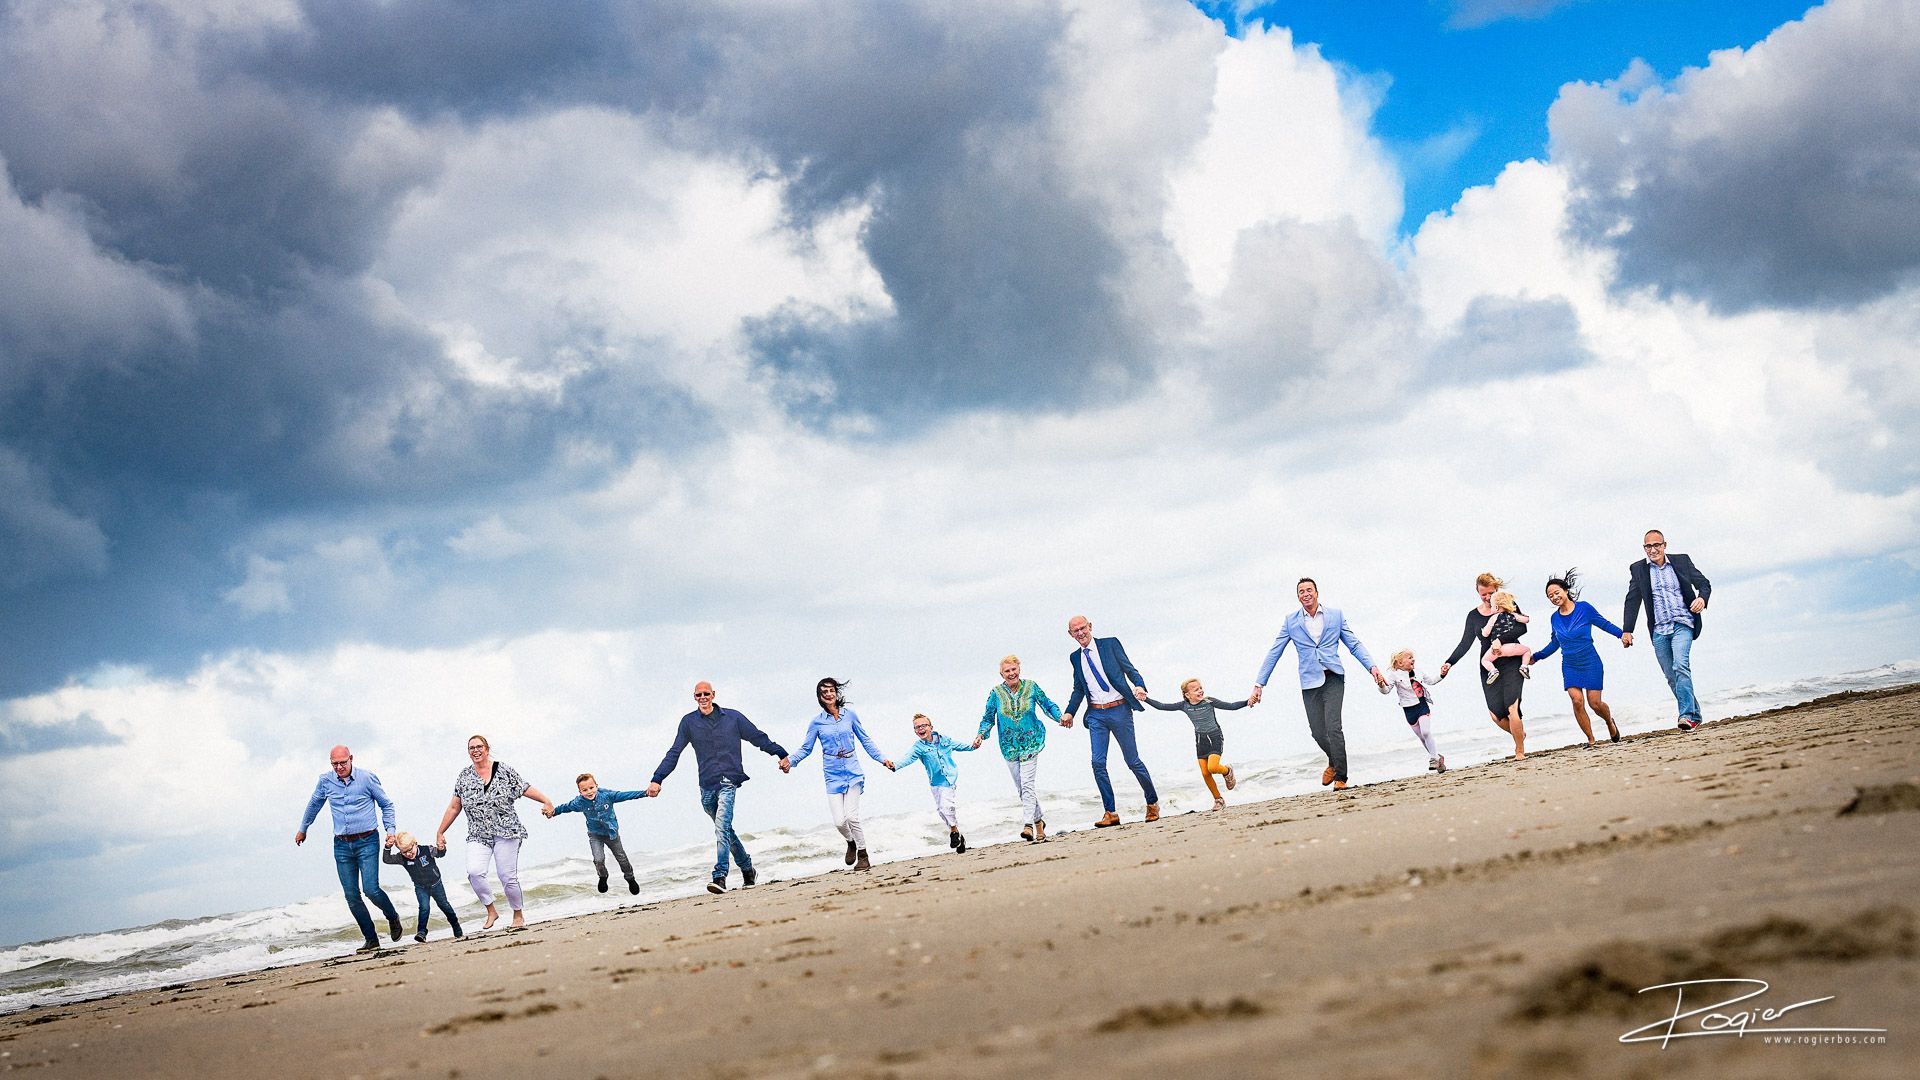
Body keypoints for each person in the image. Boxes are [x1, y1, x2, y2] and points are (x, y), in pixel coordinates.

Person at [647, 681, 791, 894]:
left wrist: (780, 753)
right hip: (706, 786)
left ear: (713, 695)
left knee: (721, 827)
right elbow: (674, 752)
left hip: (728, 781)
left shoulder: (733, 718)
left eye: (706, 693)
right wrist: (657, 778)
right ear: (694, 697)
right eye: (699, 695)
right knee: (726, 831)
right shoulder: (688, 723)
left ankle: (720, 876)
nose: (703, 697)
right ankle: (748, 869)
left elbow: (757, 737)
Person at [1249, 578, 1386, 790]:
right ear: (1298, 596)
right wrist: (1260, 684)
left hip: (1333, 676)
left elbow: (1354, 644)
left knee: (1334, 727)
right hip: (1309, 681)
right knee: (1317, 732)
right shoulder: (1291, 621)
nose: (1305, 594)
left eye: (1309, 590)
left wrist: (1372, 668)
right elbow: (1275, 652)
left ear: (1316, 593)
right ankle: (1333, 759)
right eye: (1301, 591)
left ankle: (1341, 777)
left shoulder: (1335, 615)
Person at [435, 734, 555, 931]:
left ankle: (517, 914)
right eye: (471, 748)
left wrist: (546, 800)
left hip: (507, 830)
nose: (475, 750)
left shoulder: (503, 770)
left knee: (506, 876)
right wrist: (440, 832)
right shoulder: (464, 776)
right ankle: (491, 910)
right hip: (478, 833)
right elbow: (454, 807)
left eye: (479, 746)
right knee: (474, 872)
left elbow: (524, 788)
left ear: (487, 749)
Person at [295, 745, 403, 953]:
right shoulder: (326, 781)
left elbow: (386, 804)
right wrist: (303, 829)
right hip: (342, 845)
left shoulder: (367, 778)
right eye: (334, 764)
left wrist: (390, 830)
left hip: (368, 841)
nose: (339, 767)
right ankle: (371, 939)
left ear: (351, 759)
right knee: (352, 895)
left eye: (342, 762)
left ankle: (392, 916)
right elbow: (314, 804)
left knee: (371, 889)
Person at [1062, 615, 1160, 827]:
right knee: (1097, 762)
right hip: (1096, 714)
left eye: (1083, 628)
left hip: (1120, 710)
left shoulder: (1110, 644)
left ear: (1090, 627)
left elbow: (1130, 669)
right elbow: (1079, 688)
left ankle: (1152, 802)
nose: (1080, 633)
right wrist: (1070, 712)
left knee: (1132, 761)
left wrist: (1140, 686)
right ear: (1070, 635)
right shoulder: (1074, 657)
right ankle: (1110, 812)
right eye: (1075, 631)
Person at [788, 677, 892, 871]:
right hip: (832, 774)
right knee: (839, 822)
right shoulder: (817, 723)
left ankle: (863, 854)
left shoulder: (849, 715)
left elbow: (865, 740)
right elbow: (806, 748)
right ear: (820, 697)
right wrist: (790, 762)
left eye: (831, 690)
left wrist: (882, 759)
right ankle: (850, 842)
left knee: (852, 817)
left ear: (837, 693)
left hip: (853, 771)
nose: (828, 694)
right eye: (824, 692)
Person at [1622, 530, 1712, 731]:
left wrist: (1702, 599)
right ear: (1644, 548)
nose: (1653, 550)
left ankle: (1687, 716)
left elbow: (1704, 584)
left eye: (1657, 545)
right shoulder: (1638, 570)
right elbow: (1632, 600)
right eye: (1648, 546)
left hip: (1683, 623)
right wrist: (1627, 630)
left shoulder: (1681, 561)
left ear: (1665, 545)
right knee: (1672, 676)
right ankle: (1694, 713)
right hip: (1659, 630)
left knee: (1681, 665)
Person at [1529, 569, 1626, 745]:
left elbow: (1603, 623)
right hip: (1570, 664)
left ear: (1565, 591)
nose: (1554, 597)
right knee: (1577, 700)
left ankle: (1609, 721)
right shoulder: (1554, 618)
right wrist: (1537, 657)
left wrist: (1622, 634)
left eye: (1556, 592)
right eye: (1550, 596)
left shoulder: (1584, 608)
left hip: (1590, 661)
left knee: (1595, 703)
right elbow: (1555, 643)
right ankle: (1591, 739)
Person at [975, 655, 1063, 841]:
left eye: (1013, 669)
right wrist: (981, 734)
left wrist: (1060, 717)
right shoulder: (996, 693)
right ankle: (1039, 822)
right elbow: (988, 718)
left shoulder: (1031, 687)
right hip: (1009, 746)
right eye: (1007, 671)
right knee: (1021, 788)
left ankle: (1028, 825)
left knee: (1028, 784)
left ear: (1019, 669)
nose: (1011, 673)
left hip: (1031, 742)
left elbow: (1047, 704)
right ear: (1001, 674)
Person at [1441, 572, 1529, 759]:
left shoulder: (1507, 604)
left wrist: (1499, 639)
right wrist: (1450, 662)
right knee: (1496, 715)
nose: (1488, 597)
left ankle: (1519, 750)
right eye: (1484, 594)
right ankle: (1519, 733)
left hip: (1511, 660)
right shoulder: (1473, 616)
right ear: (1477, 592)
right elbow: (1465, 643)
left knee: (1513, 707)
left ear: (1497, 590)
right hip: (1489, 665)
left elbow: (1522, 627)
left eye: (1491, 593)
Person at [1145, 679, 1248, 811]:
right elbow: (1162, 706)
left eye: (1201, 688)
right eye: (1196, 689)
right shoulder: (1184, 705)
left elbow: (1232, 706)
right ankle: (1218, 800)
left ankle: (1227, 771)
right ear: (1187, 695)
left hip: (1214, 736)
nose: (1200, 691)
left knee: (1213, 767)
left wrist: (1247, 702)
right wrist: (1145, 699)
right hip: (1200, 740)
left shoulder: (1209, 701)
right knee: (1205, 773)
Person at [545, 773, 650, 894]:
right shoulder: (579, 802)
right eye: (584, 790)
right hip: (595, 835)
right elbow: (566, 807)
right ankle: (603, 876)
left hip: (611, 834)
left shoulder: (607, 796)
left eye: (591, 788)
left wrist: (645, 793)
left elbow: (625, 795)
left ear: (596, 786)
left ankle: (630, 878)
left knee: (622, 859)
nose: (589, 792)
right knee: (598, 859)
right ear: (580, 792)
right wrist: (553, 812)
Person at [891, 713, 978, 853]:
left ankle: (954, 832)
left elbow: (961, 746)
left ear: (931, 727)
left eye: (923, 725)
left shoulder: (945, 741)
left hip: (949, 779)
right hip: (935, 782)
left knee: (946, 806)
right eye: (917, 727)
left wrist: (973, 746)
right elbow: (908, 758)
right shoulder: (918, 747)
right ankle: (959, 837)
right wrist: (895, 765)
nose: (920, 729)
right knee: (941, 811)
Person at [382, 832, 463, 942]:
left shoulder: (427, 850)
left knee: (444, 905)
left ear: (415, 844)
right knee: (424, 908)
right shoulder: (401, 858)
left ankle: (456, 926)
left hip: (436, 884)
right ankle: (421, 932)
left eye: (410, 850)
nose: (408, 854)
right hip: (420, 887)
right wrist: (387, 847)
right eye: (404, 852)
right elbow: (387, 860)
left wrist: (441, 848)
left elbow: (440, 854)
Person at [1378, 650, 1445, 773]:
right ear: (1400, 663)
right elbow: (1386, 690)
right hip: (1408, 710)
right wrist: (1381, 684)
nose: (1413, 659)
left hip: (1421, 705)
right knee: (1421, 737)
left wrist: (1442, 674)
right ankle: (1438, 758)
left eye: (1413, 657)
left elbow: (1431, 681)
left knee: (1425, 732)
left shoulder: (1419, 672)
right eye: (1409, 658)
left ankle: (1433, 758)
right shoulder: (1394, 675)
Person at [1479, 592, 1533, 683]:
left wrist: (1483, 630)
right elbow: (1526, 620)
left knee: (1484, 660)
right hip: (1513, 647)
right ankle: (1524, 667)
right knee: (1527, 650)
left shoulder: (1493, 618)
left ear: (1496, 607)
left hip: (1498, 649)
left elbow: (1485, 633)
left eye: (1491, 606)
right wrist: (1515, 614)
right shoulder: (1513, 615)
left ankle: (1493, 671)